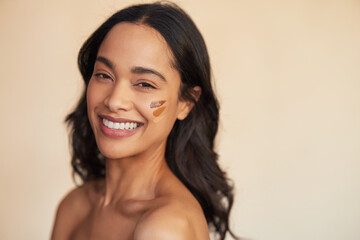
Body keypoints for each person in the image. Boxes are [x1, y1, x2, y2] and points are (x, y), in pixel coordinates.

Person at [51, 2, 238, 240]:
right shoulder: (74, 206)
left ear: (186, 102)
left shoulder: (165, 227)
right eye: (103, 75)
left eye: (145, 84)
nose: (115, 101)